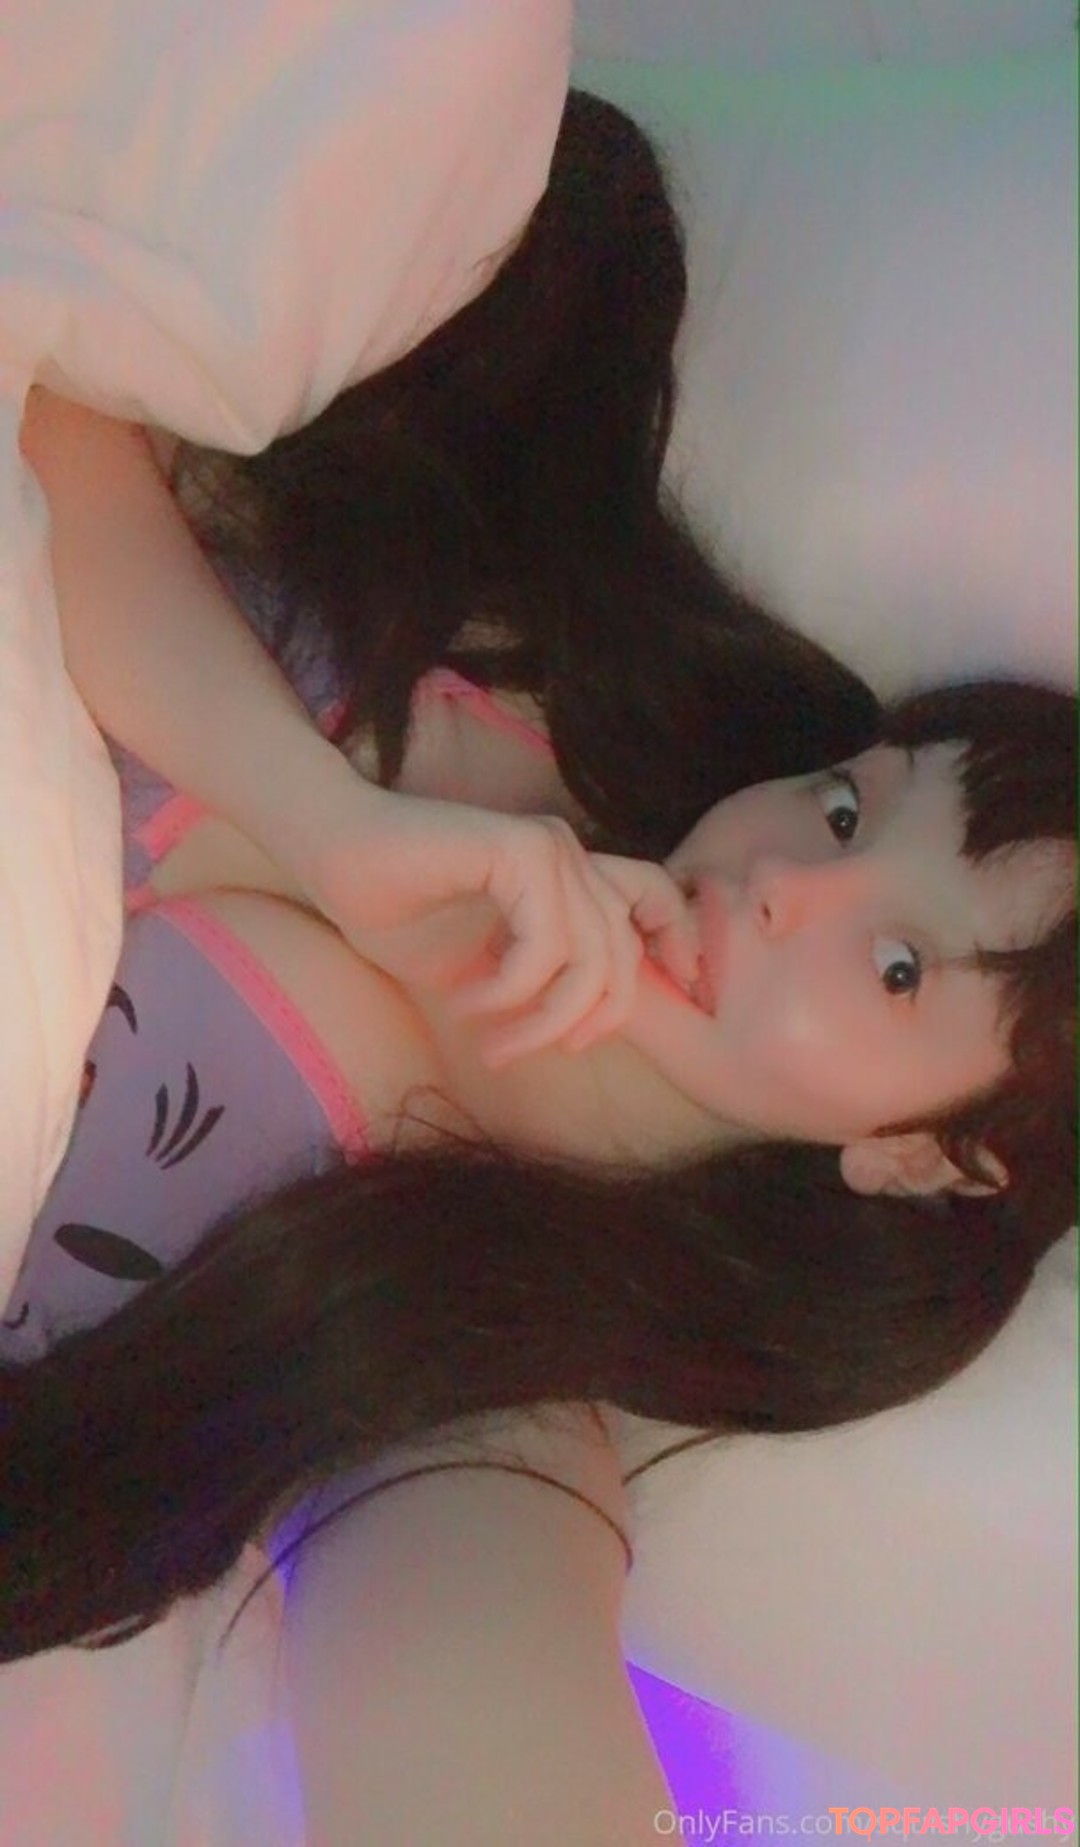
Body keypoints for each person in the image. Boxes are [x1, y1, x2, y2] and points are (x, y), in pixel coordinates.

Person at [3, 88, 1075, 1838]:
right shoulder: (536, 669)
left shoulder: (478, 1376)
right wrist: (321, 823)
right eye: (845, 805)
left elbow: (480, 1721)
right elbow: (52, 405)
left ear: (926, 1158)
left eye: (899, 969)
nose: (788, 886)